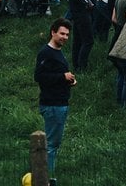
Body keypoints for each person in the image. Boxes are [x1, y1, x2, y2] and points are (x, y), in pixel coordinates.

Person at [34, 17, 76, 177]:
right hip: (52, 104)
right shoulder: (46, 52)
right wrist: (62, 77)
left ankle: (44, 173)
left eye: (67, 35)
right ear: (53, 32)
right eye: (62, 34)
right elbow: (39, 76)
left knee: (52, 142)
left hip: (60, 102)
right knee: (52, 144)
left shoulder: (58, 52)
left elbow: (56, 75)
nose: (65, 37)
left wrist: (68, 80)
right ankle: (46, 177)